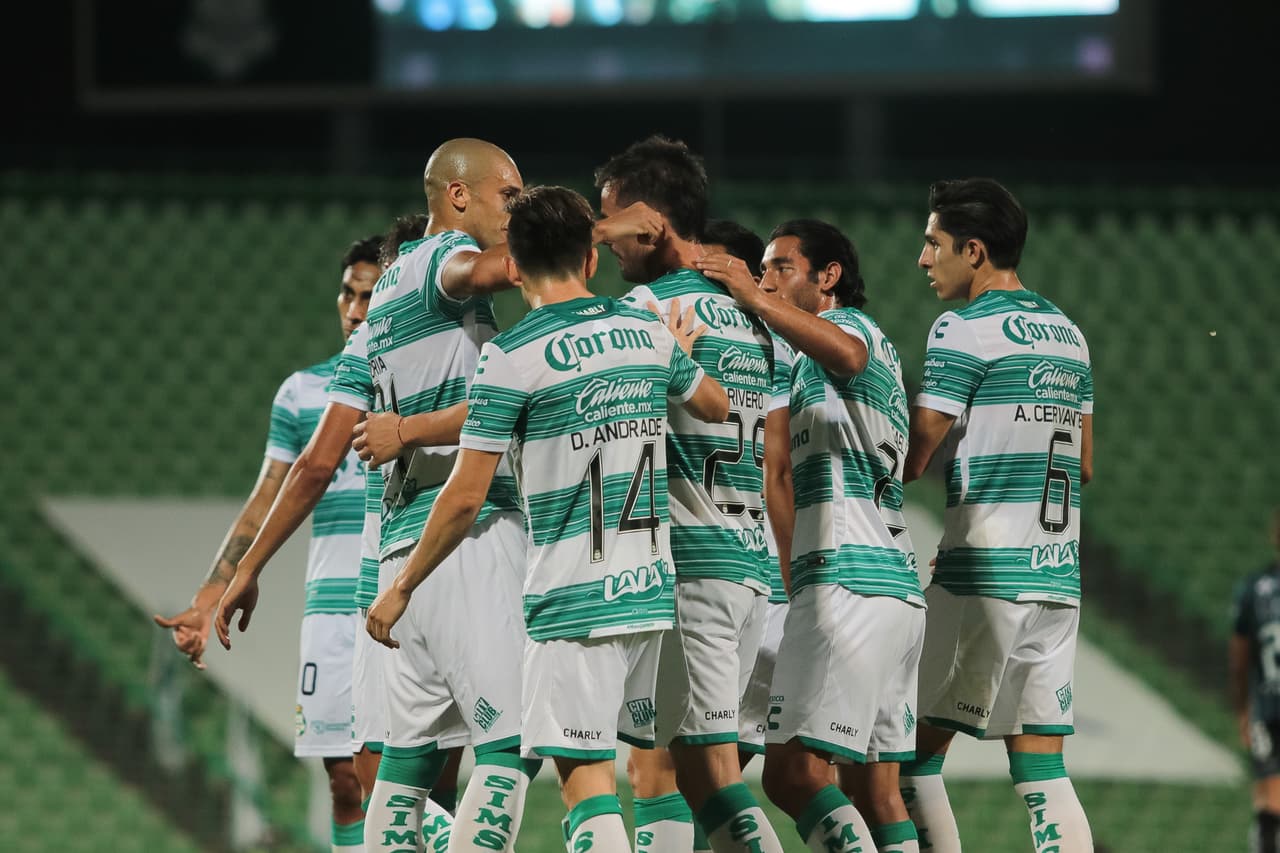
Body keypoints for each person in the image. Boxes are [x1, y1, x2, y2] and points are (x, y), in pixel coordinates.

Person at [365, 184, 729, 853]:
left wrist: (403, 585)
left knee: (585, 786)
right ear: (590, 259)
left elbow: (465, 496)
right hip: (651, 596)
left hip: (573, 603)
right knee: (647, 775)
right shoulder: (647, 331)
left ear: (513, 266)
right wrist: (673, 355)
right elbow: (714, 406)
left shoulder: (510, 356)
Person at [214, 138, 531, 853]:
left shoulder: (378, 314)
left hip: (393, 557)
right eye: (509, 196)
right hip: (465, 535)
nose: (518, 211)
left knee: (396, 770)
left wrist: (247, 567)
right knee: (510, 744)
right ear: (457, 196)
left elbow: (316, 465)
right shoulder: (446, 261)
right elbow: (504, 267)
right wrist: (592, 232)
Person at [699, 220, 924, 853]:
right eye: (762, 269)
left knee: (793, 774)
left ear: (829, 277)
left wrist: (752, 298)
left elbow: (846, 355)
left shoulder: (852, 331)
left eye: (781, 267)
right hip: (892, 586)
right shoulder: (814, 361)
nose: (766, 279)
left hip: (847, 582)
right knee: (876, 793)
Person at [154, 235, 381, 852]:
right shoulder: (303, 393)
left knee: (402, 780)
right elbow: (265, 499)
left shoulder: (429, 384)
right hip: (331, 612)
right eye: (347, 294)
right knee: (345, 784)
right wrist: (209, 594)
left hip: (403, 602)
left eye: (368, 296)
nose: (354, 310)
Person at [596, 135, 787, 853]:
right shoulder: (755, 314)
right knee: (671, 764)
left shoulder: (648, 308)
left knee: (702, 775)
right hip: (747, 565)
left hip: (689, 568)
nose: (611, 243)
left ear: (647, 221)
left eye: (615, 220)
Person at [901, 178, 1095, 853]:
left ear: (974, 251)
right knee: (1042, 768)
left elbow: (915, 452)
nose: (923, 259)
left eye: (934, 244)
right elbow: (1084, 465)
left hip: (985, 574)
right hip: (1056, 577)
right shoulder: (1069, 334)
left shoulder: (965, 327)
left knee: (902, 756)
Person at [1230, 509, 1280, 853]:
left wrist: (1242, 709)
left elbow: (1238, 659)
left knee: (1269, 802)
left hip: (1268, 707)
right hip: (1267, 710)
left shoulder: (1255, 588)